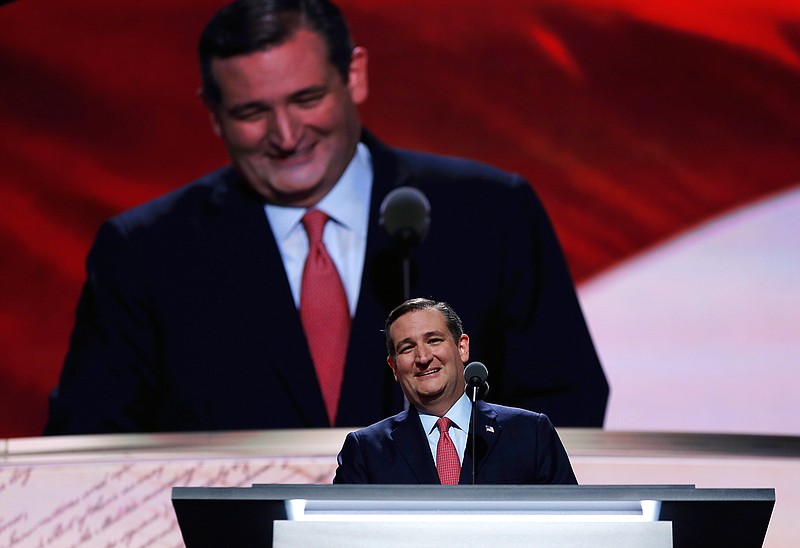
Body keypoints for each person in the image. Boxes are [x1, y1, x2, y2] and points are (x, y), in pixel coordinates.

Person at [44, 0, 607, 435]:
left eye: (306, 98)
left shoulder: (491, 215)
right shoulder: (147, 253)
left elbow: (565, 405)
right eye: (251, 112)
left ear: (354, 75)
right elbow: (90, 443)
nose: (286, 136)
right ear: (213, 115)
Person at [333, 298, 577, 484]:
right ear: (394, 367)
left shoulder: (530, 433)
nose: (423, 357)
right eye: (407, 348)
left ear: (462, 347)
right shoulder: (365, 451)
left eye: (434, 340)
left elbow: (570, 525)